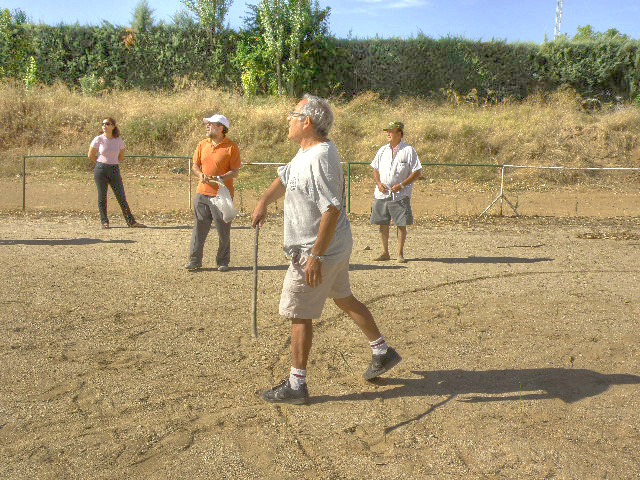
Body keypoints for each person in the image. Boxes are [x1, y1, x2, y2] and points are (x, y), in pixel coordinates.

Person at [251, 95, 401, 405]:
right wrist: (264, 202)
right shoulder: (305, 153)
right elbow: (284, 178)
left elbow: (331, 209)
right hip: (333, 246)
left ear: (306, 122)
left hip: (317, 250)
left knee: (298, 313)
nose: (288, 120)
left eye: (293, 115)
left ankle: (296, 385)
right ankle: (382, 351)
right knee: (343, 298)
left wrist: (316, 256)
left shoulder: (320, 158)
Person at [185, 114, 241, 272]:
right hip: (202, 193)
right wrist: (200, 175)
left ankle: (223, 261)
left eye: (211, 124)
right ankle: (194, 260)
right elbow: (195, 166)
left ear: (221, 127)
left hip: (222, 195)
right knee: (199, 228)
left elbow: (235, 171)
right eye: (207, 124)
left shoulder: (232, 147)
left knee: (223, 229)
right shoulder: (202, 144)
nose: (207, 126)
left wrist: (220, 178)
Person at [370, 121, 421, 263]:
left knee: (401, 223)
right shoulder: (382, 150)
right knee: (382, 222)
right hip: (382, 193)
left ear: (399, 133)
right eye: (388, 131)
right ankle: (384, 252)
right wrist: (378, 183)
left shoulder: (409, 150)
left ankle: (399, 253)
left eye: (391, 131)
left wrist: (402, 185)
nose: (388, 134)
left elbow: (417, 172)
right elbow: (375, 168)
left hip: (400, 194)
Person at [88, 117, 146, 229]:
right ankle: (104, 221)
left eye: (107, 124)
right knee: (102, 196)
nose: (104, 126)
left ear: (113, 126)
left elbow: (121, 156)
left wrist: (112, 162)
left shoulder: (118, 140)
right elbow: (90, 154)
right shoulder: (98, 139)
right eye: (103, 124)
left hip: (114, 169)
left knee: (121, 196)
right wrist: (100, 163)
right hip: (101, 169)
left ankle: (131, 222)